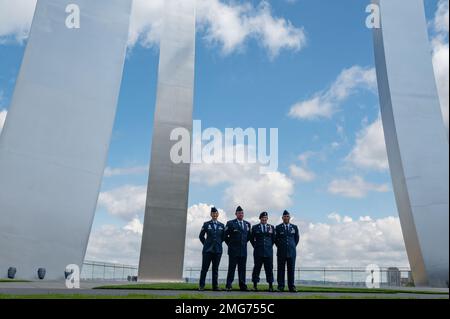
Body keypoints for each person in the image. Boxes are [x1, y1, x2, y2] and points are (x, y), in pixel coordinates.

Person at [224, 206, 251, 291]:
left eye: (242, 213)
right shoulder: (230, 223)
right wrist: (231, 244)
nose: (241, 214)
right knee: (231, 268)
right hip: (233, 250)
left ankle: (242, 285)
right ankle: (229, 285)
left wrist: (242, 243)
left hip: (243, 250)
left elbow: (249, 237)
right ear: (236, 214)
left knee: (242, 269)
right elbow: (225, 236)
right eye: (239, 213)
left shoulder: (247, 224)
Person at [198, 206, 225, 291]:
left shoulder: (222, 225)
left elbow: (223, 237)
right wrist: (206, 244)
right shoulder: (206, 224)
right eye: (213, 213)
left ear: (218, 214)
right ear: (211, 214)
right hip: (207, 250)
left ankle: (215, 286)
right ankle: (201, 286)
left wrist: (219, 243)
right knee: (204, 269)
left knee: (215, 269)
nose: (214, 215)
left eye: (216, 213)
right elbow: (201, 236)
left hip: (217, 250)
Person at [250, 211, 275, 292]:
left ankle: (270, 286)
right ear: (260, 218)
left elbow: (273, 239)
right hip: (258, 252)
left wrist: (268, 246)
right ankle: (255, 285)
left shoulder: (271, 227)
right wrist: (256, 246)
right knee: (256, 269)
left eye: (265, 218)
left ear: (267, 218)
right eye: (263, 218)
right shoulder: (255, 227)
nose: (264, 219)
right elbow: (251, 239)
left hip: (268, 252)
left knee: (269, 269)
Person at [275, 210, 300, 292]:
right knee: (280, 270)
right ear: (282, 218)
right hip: (281, 252)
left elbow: (296, 239)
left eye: (287, 216)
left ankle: (291, 286)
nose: (286, 218)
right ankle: (280, 286)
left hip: (292, 252)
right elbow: (275, 240)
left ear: (289, 217)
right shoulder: (278, 227)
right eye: (284, 216)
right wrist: (282, 247)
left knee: (291, 270)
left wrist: (291, 246)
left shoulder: (294, 227)